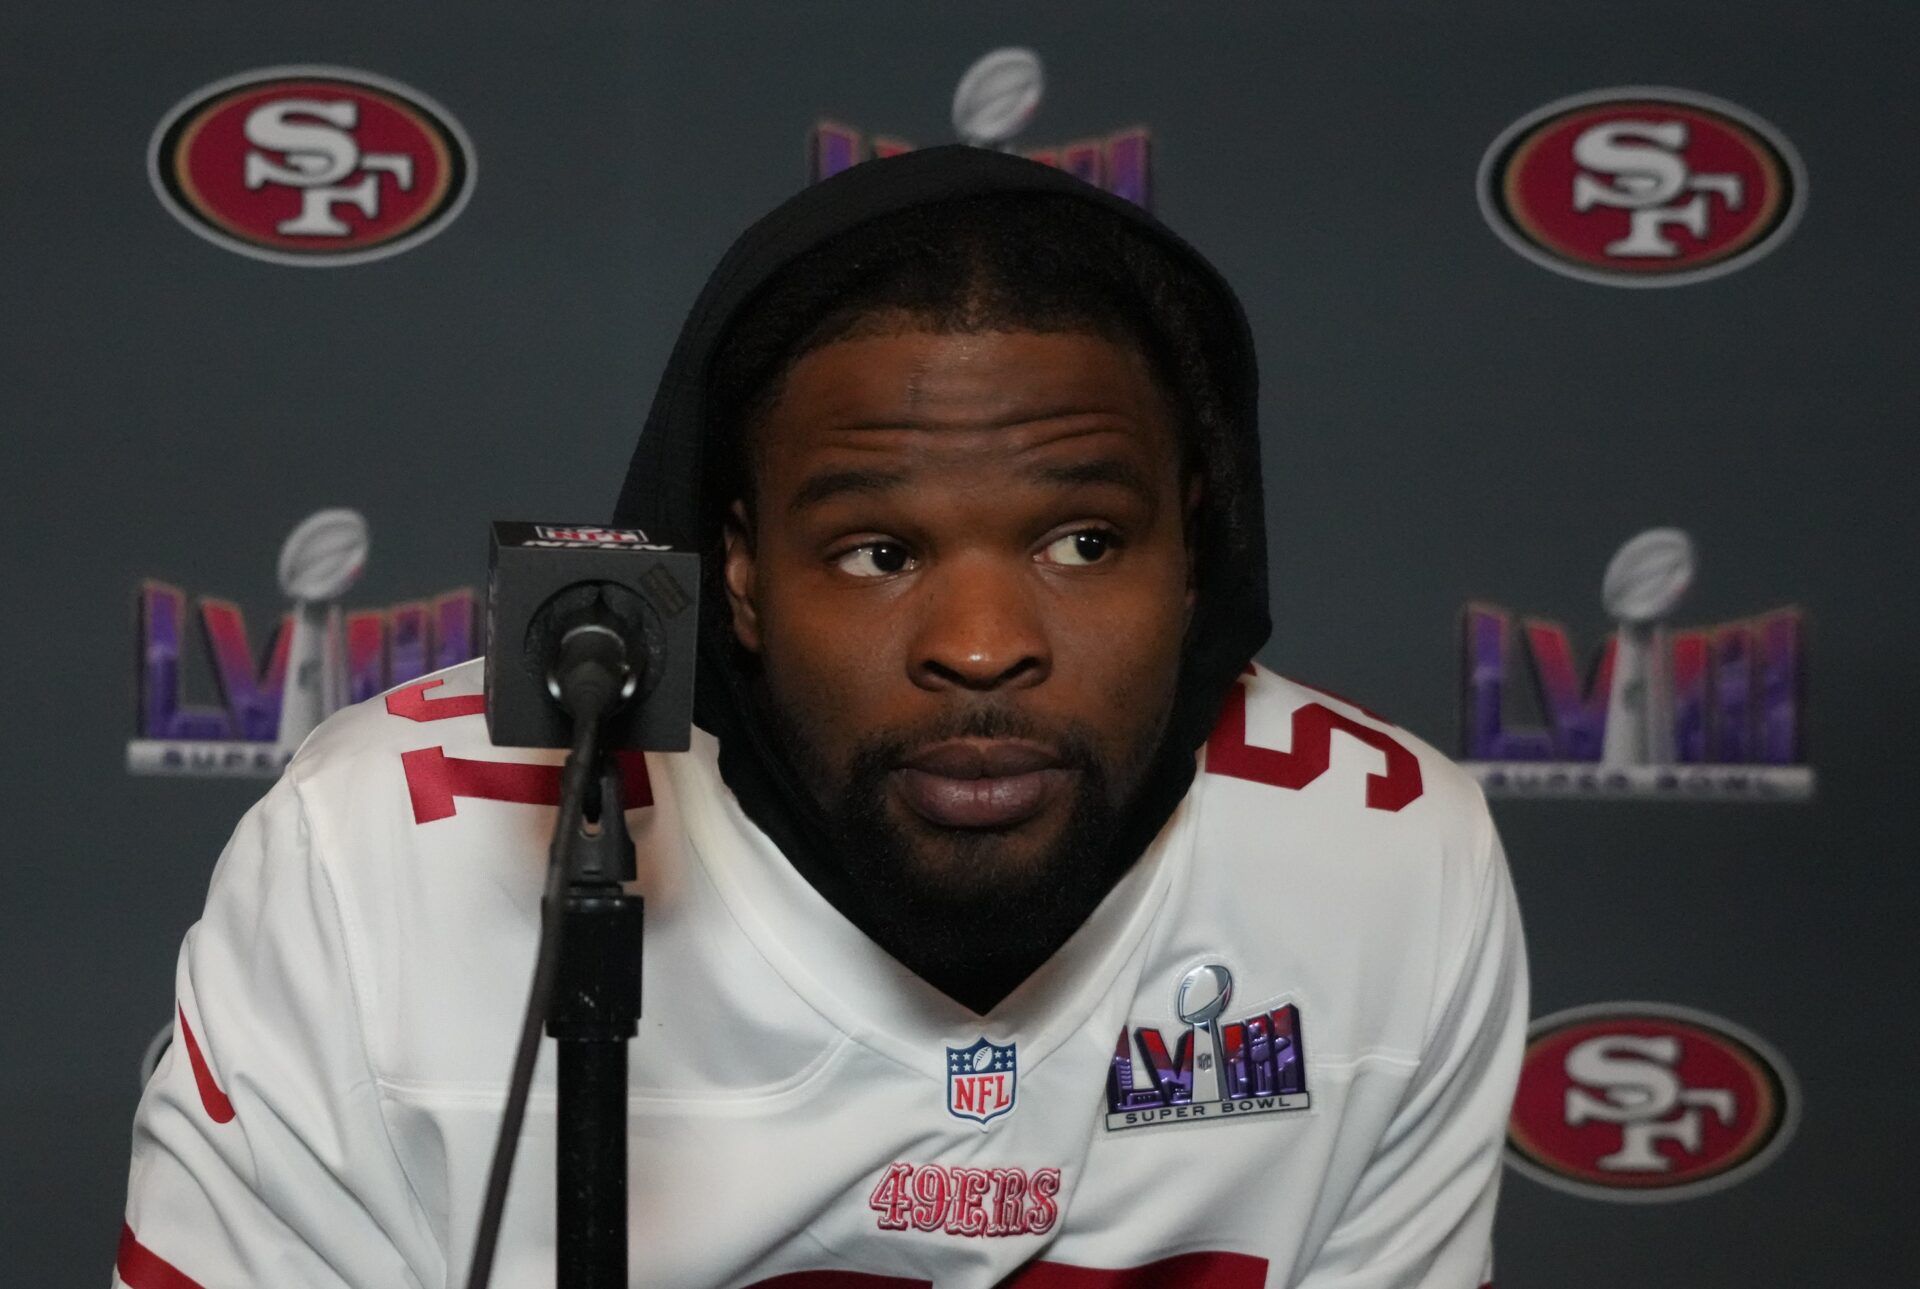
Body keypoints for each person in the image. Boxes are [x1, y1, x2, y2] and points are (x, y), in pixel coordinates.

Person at [115, 145, 1527, 1289]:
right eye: (878, 554)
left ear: (1199, 552)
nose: (983, 647)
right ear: (735, 574)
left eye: (1084, 542)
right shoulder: (375, 863)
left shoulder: (1386, 861)